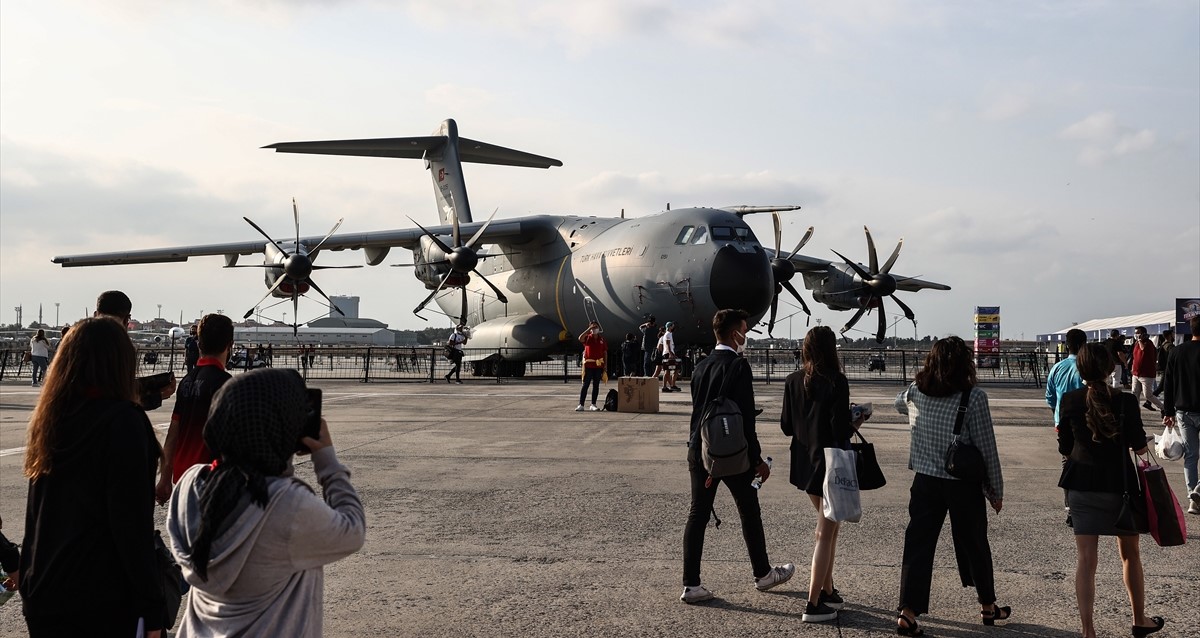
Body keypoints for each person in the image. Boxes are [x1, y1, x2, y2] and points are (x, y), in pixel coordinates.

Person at [167, 368, 366, 637]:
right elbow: (353, 530)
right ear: (283, 427)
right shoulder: (285, 504)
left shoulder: (190, 485)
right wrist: (327, 461)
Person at [19, 317, 167, 636]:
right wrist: (152, 608)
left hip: (45, 591)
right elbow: (131, 526)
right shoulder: (123, 422)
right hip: (101, 596)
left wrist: (29, 583)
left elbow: (36, 513)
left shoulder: (51, 419)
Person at [894, 336, 1007, 636]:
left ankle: (907, 612)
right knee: (975, 543)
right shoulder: (974, 397)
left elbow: (897, 403)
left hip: (925, 481)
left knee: (918, 545)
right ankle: (987, 605)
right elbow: (987, 448)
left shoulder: (916, 391)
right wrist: (995, 490)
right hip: (962, 484)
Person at [681, 308, 794, 604]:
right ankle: (763, 574)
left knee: (698, 514)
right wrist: (757, 460)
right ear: (735, 334)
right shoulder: (739, 366)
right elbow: (746, 419)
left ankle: (691, 585)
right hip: (734, 453)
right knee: (749, 511)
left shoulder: (700, 366)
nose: (746, 335)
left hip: (701, 449)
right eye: (744, 330)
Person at [1058, 343, 1165, 637]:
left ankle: (1088, 630)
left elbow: (1065, 446)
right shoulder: (1126, 401)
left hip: (1081, 485)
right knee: (1130, 555)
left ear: (1080, 368)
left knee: (1085, 561)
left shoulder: (1070, 400)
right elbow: (1139, 447)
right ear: (1109, 368)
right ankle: (1139, 619)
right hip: (1121, 487)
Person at [779, 325, 859, 623]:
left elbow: (786, 426)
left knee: (830, 528)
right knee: (825, 532)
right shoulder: (837, 380)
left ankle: (827, 590)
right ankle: (812, 603)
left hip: (804, 464)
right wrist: (856, 421)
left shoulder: (792, 380)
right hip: (830, 465)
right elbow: (839, 429)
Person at [155, 313, 235, 505]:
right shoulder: (226, 384)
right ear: (230, 345)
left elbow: (173, 433)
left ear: (199, 344)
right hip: (211, 479)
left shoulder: (186, 381)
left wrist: (165, 478)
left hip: (183, 479)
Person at [94, 290, 176, 409]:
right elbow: (118, 397)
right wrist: (156, 395)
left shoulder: (75, 344)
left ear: (96, 314)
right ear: (126, 321)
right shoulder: (120, 350)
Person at [1047, 329, 1088, 526]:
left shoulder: (1057, 368)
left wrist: (1057, 414)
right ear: (1083, 345)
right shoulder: (1085, 368)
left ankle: (1070, 508)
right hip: (1086, 423)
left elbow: (1050, 396)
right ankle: (1085, 506)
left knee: (1067, 464)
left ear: (1067, 345)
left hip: (1062, 423)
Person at [1161, 315, 1200, 515]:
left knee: (1191, 455)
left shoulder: (1176, 352)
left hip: (1183, 410)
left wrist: (1168, 411)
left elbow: (1168, 383)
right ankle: (1198, 490)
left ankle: (1192, 496)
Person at [1129, 327, 1164, 412]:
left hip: (1146, 374)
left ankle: (1163, 407)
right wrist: (1132, 367)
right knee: (1134, 393)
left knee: (1148, 395)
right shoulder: (1136, 343)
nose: (1136, 335)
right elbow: (1135, 357)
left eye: (1138, 333)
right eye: (1135, 333)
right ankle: (1135, 411)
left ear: (1143, 334)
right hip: (1136, 373)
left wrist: (1140, 340)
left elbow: (1143, 349)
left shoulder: (1148, 343)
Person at [576, 321, 607, 411]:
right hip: (589, 365)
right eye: (593, 327)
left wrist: (605, 365)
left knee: (596, 385)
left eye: (596, 327)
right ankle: (581, 404)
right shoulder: (587, 338)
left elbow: (605, 352)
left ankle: (593, 404)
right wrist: (589, 329)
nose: (594, 329)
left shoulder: (602, 340)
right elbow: (580, 338)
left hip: (598, 365)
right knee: (585, 385)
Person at [659, 321, 681, 392]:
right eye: (672, 326)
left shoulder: (669, 334)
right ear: (669, 327)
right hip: (668, 354)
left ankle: (672, 385)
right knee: (668, 371)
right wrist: (671, 354)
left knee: (674, 369)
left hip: (669, 353)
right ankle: (665, 386)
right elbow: (668, 344)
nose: (673, 327)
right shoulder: (668, 334)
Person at [1152, 329, 1174, 397]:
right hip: (1167, 368)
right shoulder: (1170, 346)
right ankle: (1149, 400)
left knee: (1163, 387)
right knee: (1161, 387)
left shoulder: (1163, 344)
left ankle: (1149, 400)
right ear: (1170, 335)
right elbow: (1172, 357)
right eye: (1172, 334)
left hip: (1164, 368)